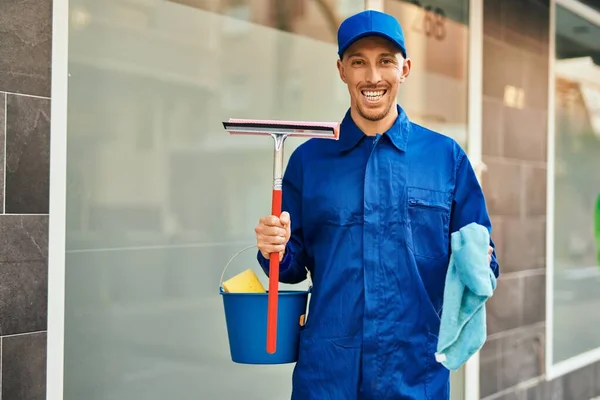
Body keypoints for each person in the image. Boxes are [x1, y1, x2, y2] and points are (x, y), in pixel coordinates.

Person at [254, 9, 499, 400]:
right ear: (341, 70)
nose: (372, 76)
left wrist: (478, 261)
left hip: (415, 377)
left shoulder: (445, 158)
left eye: (385, 61)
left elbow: (485, 262)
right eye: (358, 62)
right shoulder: (309, 161)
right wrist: (273, 248)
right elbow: (290, 266)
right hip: (327, 379)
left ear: (405, 68)